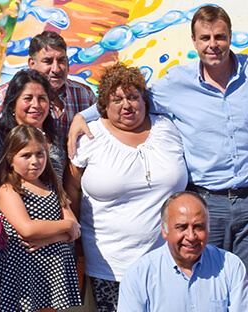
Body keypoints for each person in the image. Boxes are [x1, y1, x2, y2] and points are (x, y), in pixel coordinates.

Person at [69, 6, 248, 287]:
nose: (213, 44)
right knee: (204, 282)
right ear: (194, 41)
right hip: (205, 203)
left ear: (230, 37)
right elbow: (132, 98)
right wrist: (85, 115)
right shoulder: (176, 82)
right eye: (206, 38)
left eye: (220, 36)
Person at [69, 64, 188, 311]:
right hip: (110, 266)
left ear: (144, 100)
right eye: (117, 99)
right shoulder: (90, 136)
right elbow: (71, 191)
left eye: (133, 97)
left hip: (168, 261)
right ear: (103, 106)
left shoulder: (167, 128)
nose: (127, 105)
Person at [117, 192, 248, 312]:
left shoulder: (230, 267)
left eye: (198, 227)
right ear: (164, 230)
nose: (191, 236)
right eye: (181, 227)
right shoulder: (139, 276)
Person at [0, 125, 82, 311]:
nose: (35, 161)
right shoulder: (9, 189)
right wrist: (65, 226)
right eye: (26, 155)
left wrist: (51, 237)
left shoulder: (52, 186)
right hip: (25, 271)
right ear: (11, 159)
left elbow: (75, 229)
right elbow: (27, 229)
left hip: (52, 270)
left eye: (40, 154)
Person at [0, 30, 95, 142]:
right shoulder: (5, 93)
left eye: (61, 60)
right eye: (47, 61)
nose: (56, 69)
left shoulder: (84, 94)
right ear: (32, 64)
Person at [0, 70, 73, 195]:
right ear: (12, 104)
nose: (36, 105)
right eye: (28, 98)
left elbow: (65, 189)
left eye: (42, 99)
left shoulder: (57, 139)